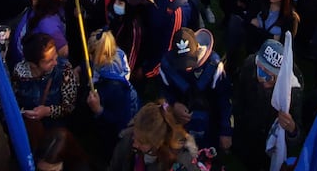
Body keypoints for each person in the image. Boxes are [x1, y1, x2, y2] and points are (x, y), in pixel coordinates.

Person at [232, 38, 303, 170]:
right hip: (246, 132)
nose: (261, 77)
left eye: (269, 75)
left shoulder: (293, 91)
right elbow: (238, 95)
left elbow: (297, 135)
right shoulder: (249, 65)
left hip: (267, 143)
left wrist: (292, 129)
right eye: (260, 70)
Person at [158, 27, 232, 153]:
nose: (187, 68)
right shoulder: (167, 66)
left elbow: (225, 101)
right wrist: (173, 105)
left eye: (189, 61)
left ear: (197, 48)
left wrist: (226, 131)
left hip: (209, 120)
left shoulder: (213, 66)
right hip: (179, 122)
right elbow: (162, 95)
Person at [85, 29, 140, 159]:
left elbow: (120, 120)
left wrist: (98, 110)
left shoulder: (115, 87)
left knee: (112, 151)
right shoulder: (116, 54)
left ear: (96, 56)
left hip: (120, 130)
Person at [14, 32, 79, 136]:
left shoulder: (64, 69)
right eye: (49, 61)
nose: (55, 62)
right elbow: (15, 100)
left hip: (55, 131)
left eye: (55, 55)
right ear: (33, 65)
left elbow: (69, 106)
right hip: (30, 131)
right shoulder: (20, 73)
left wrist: (48, 111)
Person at [107, 101, 201, 171]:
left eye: (141, 142)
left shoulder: (181, 163)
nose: (134, 143)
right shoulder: (128, 141)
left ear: (157, 142)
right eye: (134, 136)